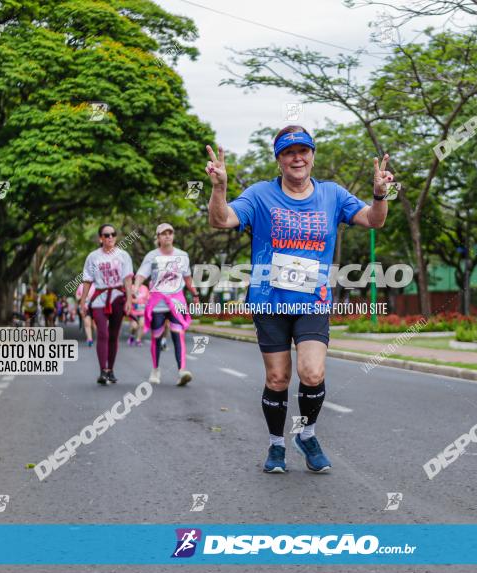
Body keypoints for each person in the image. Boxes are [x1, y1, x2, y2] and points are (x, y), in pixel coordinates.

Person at [206, 126, 392, 474]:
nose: (297, 158)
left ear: (312, 156)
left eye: (303, 151)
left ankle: (307, 434)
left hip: (313, 300)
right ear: (278, 160)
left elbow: (373, 220)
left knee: (312, 371)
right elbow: (222, 219)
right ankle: (277, 444)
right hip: (270, 301)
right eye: (289, 152)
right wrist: (220, 189)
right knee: (278, 379)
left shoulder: (332, 194)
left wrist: (380, 195)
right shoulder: (260, 195)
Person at [132, 223, 200, 387]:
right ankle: (155, 370)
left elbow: (188, 278)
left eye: (170, 233)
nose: (167, 236)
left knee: (178, 335)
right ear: (158, 237)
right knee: (156, 337)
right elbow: (141, 274)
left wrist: (195, 295)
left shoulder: (182, 255)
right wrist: (135, 286)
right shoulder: (152, 256)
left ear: (173, 236)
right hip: (158, 303)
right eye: (163, 233)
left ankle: (182, 371)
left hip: (177, 301)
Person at [79, 224, 134, 385]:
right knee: (102, 333)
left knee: (114, 335)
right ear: (100, 238)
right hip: (99, 298)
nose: (110, 237)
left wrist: (129, 300)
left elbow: (128, 280)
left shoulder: (123, 255)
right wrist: (83, 301)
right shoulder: (93, 257)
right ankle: (103, 370)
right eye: (106, 235)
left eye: (113, 234)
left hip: (118, 297)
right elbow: (87, 280)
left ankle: (111, 370)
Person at [76, 282, 94, 347]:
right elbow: (77, 296)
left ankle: (91, 334)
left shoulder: (96, 284)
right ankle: (90, 339)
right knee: (87, 323)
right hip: (85, 306)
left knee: (93, 325)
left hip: (95, 306)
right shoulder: (81, 286)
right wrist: (81, 298)